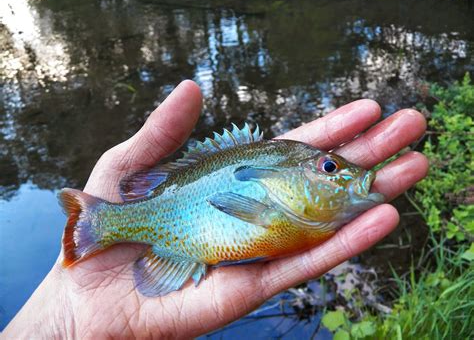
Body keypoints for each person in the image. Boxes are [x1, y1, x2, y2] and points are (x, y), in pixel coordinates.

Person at [2, 80, 428, 338]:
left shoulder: (303, 218)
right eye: (329, 167)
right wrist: (65, 323)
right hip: (158, 225)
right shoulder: (281, 201)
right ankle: (102, 222)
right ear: (279, 180)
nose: (339, 173)